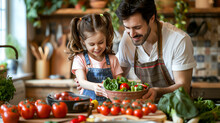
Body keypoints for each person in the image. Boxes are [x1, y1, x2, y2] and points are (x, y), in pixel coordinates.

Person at [115, 0, 196, 102]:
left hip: (176, 108)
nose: (131, 34)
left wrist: (158, 92)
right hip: (146, 109)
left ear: (152, 18)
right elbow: (119, 75)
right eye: (127, 27)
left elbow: (184, 87)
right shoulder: (127, 39)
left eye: (137, 27)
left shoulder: (178, 40)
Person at [67, 12, 123, 103]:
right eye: (92, 44)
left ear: (106, 37)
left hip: (110, 107)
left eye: (101, 42)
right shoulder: (80, 59)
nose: (97, 48)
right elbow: (81, 81)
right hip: (87, 105)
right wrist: (94, 87)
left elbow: (120, 82)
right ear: (83, 41)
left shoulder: (113, 59)